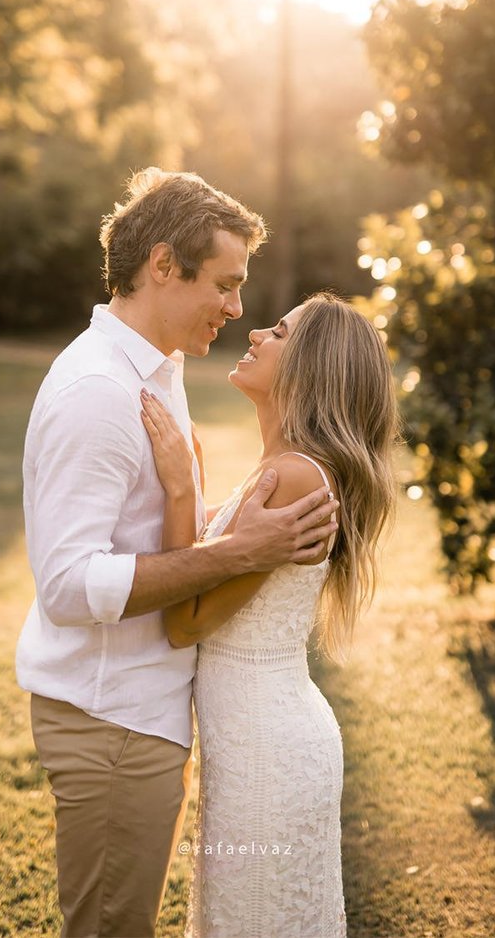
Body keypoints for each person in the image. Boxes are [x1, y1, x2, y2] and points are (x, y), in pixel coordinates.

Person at [17, 168, 340, 937]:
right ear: (163, 265)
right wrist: (235, 551)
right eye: (225, 285)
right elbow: (67, 585)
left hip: (147, 719)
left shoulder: (160, 373)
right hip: (111, 721)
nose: (237, 308)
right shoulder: (98, 391)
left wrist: (192, 510)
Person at [140, 292, 398, 937]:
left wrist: (179, 485)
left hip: (267, 752)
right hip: (258, 740)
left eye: (278, 332)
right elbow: (214, 569)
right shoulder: (284, 469)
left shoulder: (293, 476)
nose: (255, 331)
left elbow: (185, 621)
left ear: (309, 368)